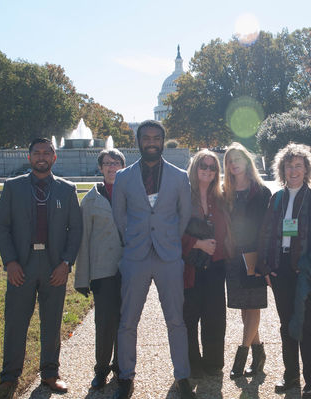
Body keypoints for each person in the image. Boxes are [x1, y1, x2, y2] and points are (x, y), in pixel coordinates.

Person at [111, 120, 195, 399]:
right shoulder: (123, 177)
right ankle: (126, 376)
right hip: (135, 256)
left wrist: (170, 239)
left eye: (156, 137)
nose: (151, 142)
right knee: (127, 320)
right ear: (138, 141)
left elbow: (184, 216)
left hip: (169, 256)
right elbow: (119, 216)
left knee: (176, 320)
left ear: (162, 141)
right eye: (145, 137)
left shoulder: (179, 176)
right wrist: (133, 240)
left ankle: (182, 375)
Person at [0, 138, 83, 398]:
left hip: (54, 266)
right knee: (16, 323)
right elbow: (3, 226)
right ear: (29, 157)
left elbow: (75, 229)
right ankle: (9, 378)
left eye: (47, 152)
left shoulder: (67, 190)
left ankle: (50, 374)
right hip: (21, 265)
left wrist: (66, 263)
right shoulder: (13, 187)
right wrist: (9, 261)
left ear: (54, 157)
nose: (42, 156)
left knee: (52, 322)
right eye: (37, 153)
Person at [256, 143, 311, 398]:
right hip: (280, 270)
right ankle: (290, 376)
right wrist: (266, 267)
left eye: (298, 166)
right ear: (282, 169)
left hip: (305, 272)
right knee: (286, 324)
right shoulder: (276, 198)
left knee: (308, 325)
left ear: (306, 169)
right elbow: (266, 233)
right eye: (289, 166)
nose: (293, 170)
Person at [74, 149, 125, 389]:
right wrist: (82, 278)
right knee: (105, 322)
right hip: (103, 271)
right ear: (101, 167)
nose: (112, 167)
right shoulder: (90, 200)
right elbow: (83, 241)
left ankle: (122, 366)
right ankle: (101, 369)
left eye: (116, 163)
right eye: (107, 163)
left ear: (123, 166)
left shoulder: (132, 194)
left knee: (126, 322)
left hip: (129, 269)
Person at [222, 143, 272, 379]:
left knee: (253, 306)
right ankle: (259, 353)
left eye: (238, 158)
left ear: (247, 160)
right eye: (230, 160)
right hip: (233, 255)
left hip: (254, 255)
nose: (234, 163)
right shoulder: (225, 192)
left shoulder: (261, 191)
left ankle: (242, 355)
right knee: (244, 308)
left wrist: (264, 260)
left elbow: (268, 227)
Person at [181, 149, 232, 378]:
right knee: (190, 316)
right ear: (195, 167)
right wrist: (197, 244)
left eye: (213, 167)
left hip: (216, 266)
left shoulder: (220, 197)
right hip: (189, 267)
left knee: (214, 317)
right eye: (204, 165)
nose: (208, 170)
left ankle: (213, 362)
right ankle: (192, 363)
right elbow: (169, 230)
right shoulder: (182, 195)